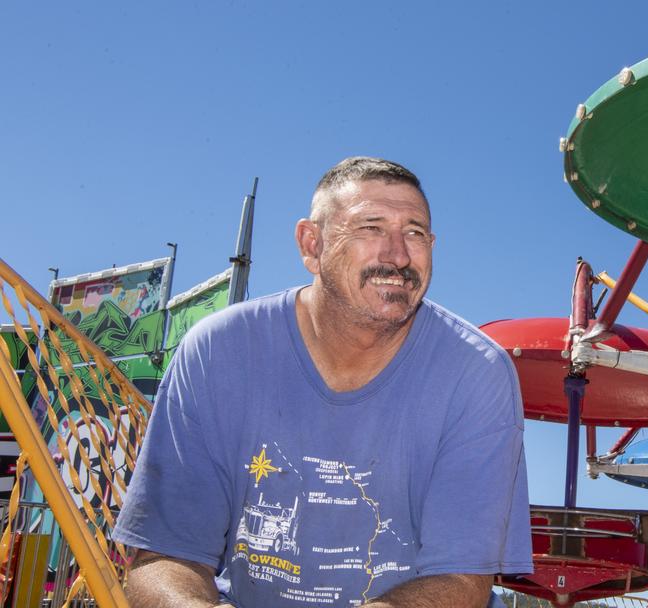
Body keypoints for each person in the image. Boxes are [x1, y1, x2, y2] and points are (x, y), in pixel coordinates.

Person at [115, 157, 532, 607]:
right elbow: (162, 558)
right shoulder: (218, 352)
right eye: (370, 228)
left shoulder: (475, 373)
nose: (398, 254)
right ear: (311, 245)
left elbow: (461, 583)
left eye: (415, 232)